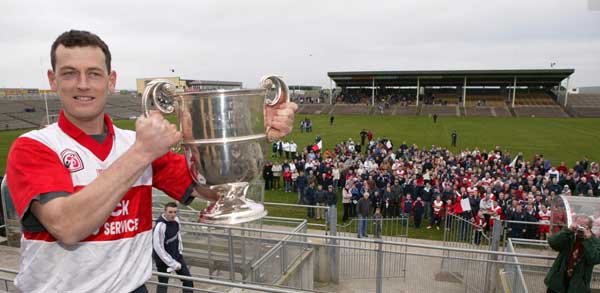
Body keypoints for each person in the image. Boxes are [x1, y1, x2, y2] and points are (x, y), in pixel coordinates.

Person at [5, 30, 297, 292]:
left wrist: (255, 135)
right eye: (69, 73)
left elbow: (213, 190)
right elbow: (67, 226)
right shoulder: (34, 147)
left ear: (111, 80)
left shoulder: (133, 144)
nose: (83, 84)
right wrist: (142, 153)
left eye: (94, 74)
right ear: (53, 80)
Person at [545, 215, 600, 292]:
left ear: (589, 228)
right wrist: (568, 230)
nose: (580, 228)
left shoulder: (594, 241)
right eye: (578, 225)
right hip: (558, 281)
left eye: (583, 226)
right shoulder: (569, 235)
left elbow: (595, 259)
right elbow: (553, 243)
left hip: (578, 285)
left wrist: (587, 240)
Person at [153, 202, 193, 293]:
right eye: (170, 212)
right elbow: (158, 248)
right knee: (163, 283)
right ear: (165, 211)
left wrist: (180, 250)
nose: (173, 215)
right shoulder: (160, 226)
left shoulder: (176, 220)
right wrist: (172, 263)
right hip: (163, 260)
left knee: (188, 280)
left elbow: (178, 235)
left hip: (176, 256)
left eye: (175, 212)